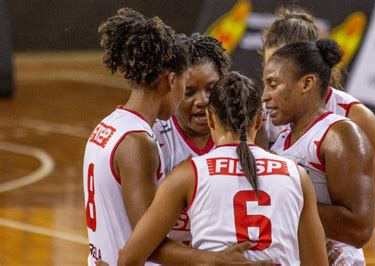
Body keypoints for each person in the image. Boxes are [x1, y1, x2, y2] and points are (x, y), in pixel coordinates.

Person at [84, 8, 257, 266]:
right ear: (172, 80)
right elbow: (148, 241)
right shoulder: (139, 142)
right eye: (187, 87)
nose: (201, 101)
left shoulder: (108, 127)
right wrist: (216, 260)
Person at [118, 72, 329, 266]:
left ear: (210, 118)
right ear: (258, 120)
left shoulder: (188, 174)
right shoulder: (296, 175)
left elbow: (130, 257)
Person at [261, 7, 375, 228]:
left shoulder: (356, 118)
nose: (270, 82)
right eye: (268, 69)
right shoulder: (260, 112)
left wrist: (306, 214)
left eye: (282, 70)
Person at [263, 39, 375, 265]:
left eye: (273, 85)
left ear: (306, 84)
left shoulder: (340, 135)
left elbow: (360, 229)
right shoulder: (282, 138)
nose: (265, 95)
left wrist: (283, 201)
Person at [152, 32, 231, 245]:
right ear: (172, 87)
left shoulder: (240, 131)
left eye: (211, 89)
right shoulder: (153, 136)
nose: (202, 101)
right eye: (189, 92)